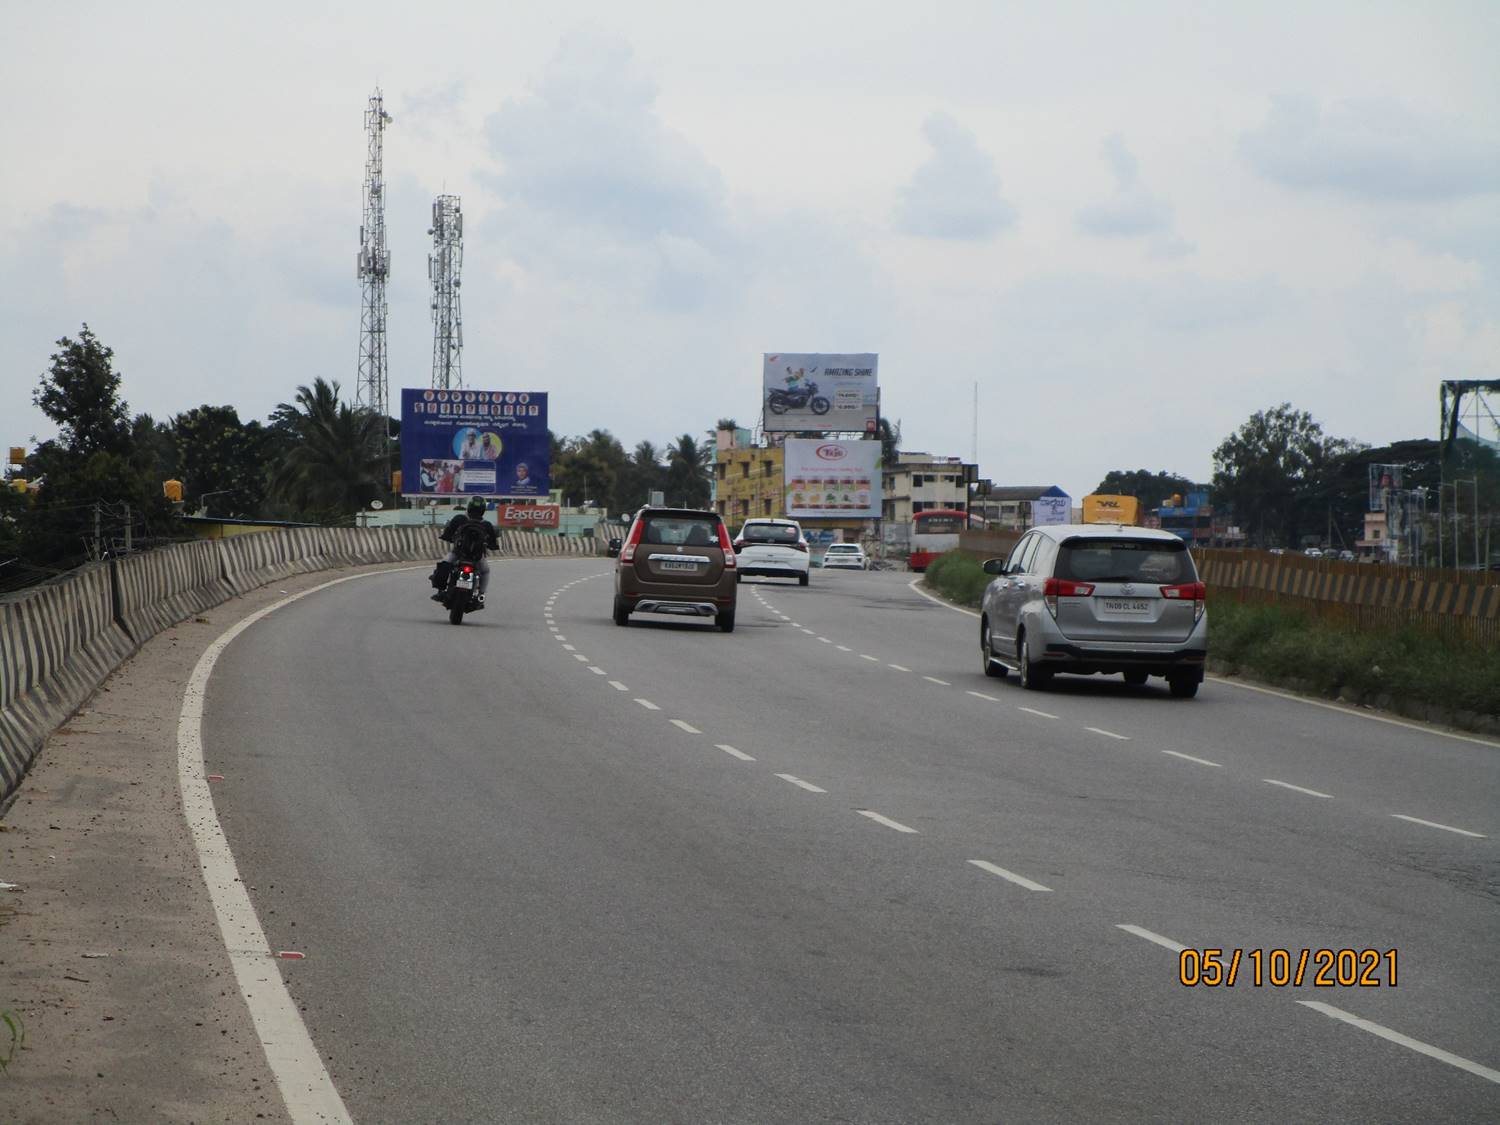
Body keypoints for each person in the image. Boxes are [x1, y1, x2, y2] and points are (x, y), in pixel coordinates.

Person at [431, 495, 501, 607]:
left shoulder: (459, 519)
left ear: (468, 507)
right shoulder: (486, 525)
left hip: (458, 554)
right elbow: (493, 543)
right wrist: (492, 546)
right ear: (483, 510)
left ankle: (440, 590)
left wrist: (447, 537)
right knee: (485, 571)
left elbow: (448, 533)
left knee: (445, 564)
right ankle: (481, 596)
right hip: (476, 558)